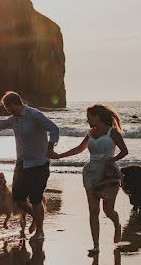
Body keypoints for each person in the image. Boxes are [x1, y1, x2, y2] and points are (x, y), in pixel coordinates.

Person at [0, 91, 59, 240]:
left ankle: (40, 231)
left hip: (39, 163)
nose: (7, 110)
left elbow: (54, 129)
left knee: (36, 199)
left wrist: (50, 146)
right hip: (22, 163)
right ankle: (36, 218)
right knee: (18, 198)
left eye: (7, 107)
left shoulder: (34, 114)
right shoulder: (14, 119)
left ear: (13, 104)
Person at [50, 104, 128, 254]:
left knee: (108, 210)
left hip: (107, 174)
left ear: (97, 117)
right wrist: (59, 156)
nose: (87, 121)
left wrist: (112, 160)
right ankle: (96, 246)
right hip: (90, 173)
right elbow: (79, 149)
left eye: (89, 117)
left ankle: (117, 225)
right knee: (93, 210)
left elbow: (124, 151)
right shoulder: (91, 133)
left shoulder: (113, 133)